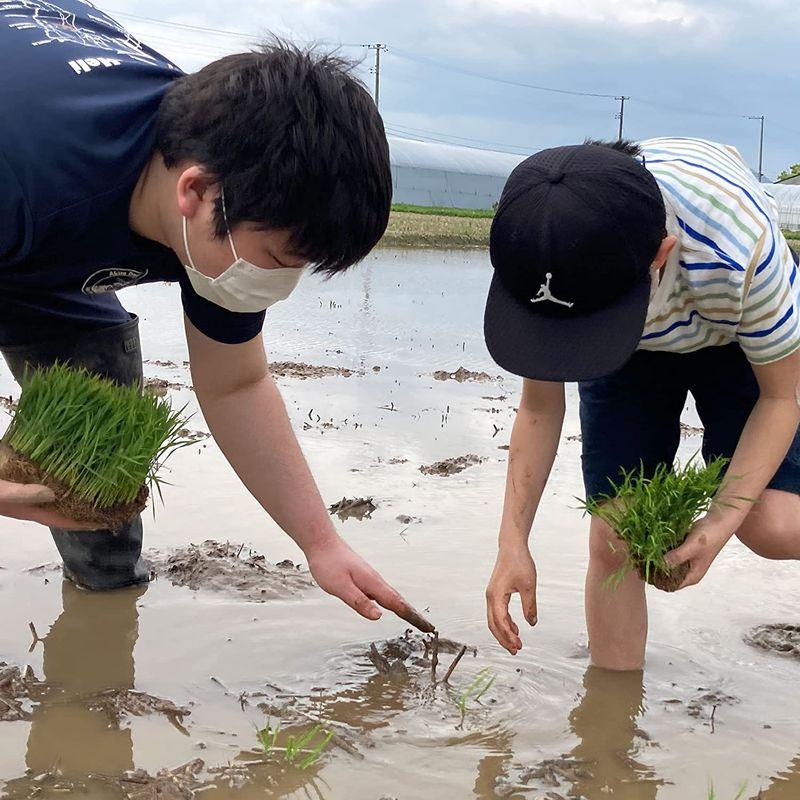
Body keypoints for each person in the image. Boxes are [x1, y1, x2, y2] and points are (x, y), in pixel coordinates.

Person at [0, 0, 428, 630]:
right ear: (194, 193)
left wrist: (322, 544)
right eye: (279, 256)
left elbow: (237, 383)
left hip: (54, 246)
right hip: (27, 174)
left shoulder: (227, 181)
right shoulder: (26, 171)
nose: (281, 281)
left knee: (95, 478)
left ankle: (101, 636)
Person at [483, 137, 800, 669]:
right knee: (615, 534)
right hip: (620, 335)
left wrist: (718, 525)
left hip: (732, 333)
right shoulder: (542, 246)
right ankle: (610, 730)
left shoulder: (741, 249)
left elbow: (782, 396)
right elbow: (539, 407)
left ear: (661, 253)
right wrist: (512, 543)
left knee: (771, 523)